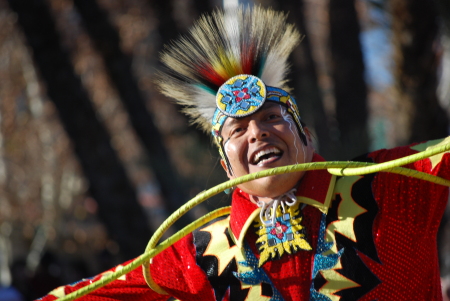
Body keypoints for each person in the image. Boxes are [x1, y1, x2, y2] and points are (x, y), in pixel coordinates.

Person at [38, 5, 450, 301]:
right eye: (238, 129)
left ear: (306, 138)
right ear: (225, 166)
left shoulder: (395, 184)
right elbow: (96, 293)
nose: (256, 133)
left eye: (272, 118)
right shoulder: (203, 252)